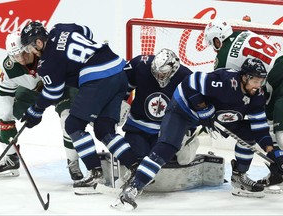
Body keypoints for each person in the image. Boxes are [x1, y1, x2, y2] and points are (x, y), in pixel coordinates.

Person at [112, 57, 283, 210]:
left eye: (261, 81)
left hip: (217, 115)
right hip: (183, 109)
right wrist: (203, 109)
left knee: (250, 134)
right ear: (245, 77)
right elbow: (190, 82)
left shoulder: (257, 95)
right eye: (256, 81)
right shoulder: (224, 82)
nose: (258, 85)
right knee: (167, 147)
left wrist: (272, 152)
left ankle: (239, 176)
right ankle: (134, 187)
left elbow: (260, 128)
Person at [19, 21, 139, 195]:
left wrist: (35, 110)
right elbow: (87, 31)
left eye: (30, 47)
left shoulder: (47, 63)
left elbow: (53, 92)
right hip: (119, 71)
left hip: (98, 79)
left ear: (38, 42)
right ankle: (136, 168)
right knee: (103, 128)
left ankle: (95, 173)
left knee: (73, 125)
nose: (31, 52)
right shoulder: (61, 28)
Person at [204, 18, 283, 186]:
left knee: (266, 130)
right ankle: (276, 171)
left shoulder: (223, 57)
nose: (214, 47)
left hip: (272, 81)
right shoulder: (242, 33)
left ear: (218, 39)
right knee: (266, 128)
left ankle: (277, 173)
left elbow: (222, 88)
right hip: (279, 65)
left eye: (213, 43)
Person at [0, 31, 83, 181]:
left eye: (23, 53)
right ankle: (11, 157)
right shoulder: (10, 67)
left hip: (62, 89)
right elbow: (4, 95)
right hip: (32, 91)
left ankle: (73, 162)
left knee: (68, 120)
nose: (22, 59)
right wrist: (6, 122)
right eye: (16, 56)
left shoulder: (45, 53)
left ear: (29, 48)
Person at [116, 48, 200, 188]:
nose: (159, 77)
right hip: (137, 126)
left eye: (164, 73)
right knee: (136, 158)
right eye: (156, 73)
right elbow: (121, 86)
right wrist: (118, 104)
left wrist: (188, 129)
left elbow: (193, 108)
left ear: (173, 69)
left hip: (165, 132)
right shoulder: (141, 65)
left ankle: (190, 142)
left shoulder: (186, 77)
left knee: (168, 159)